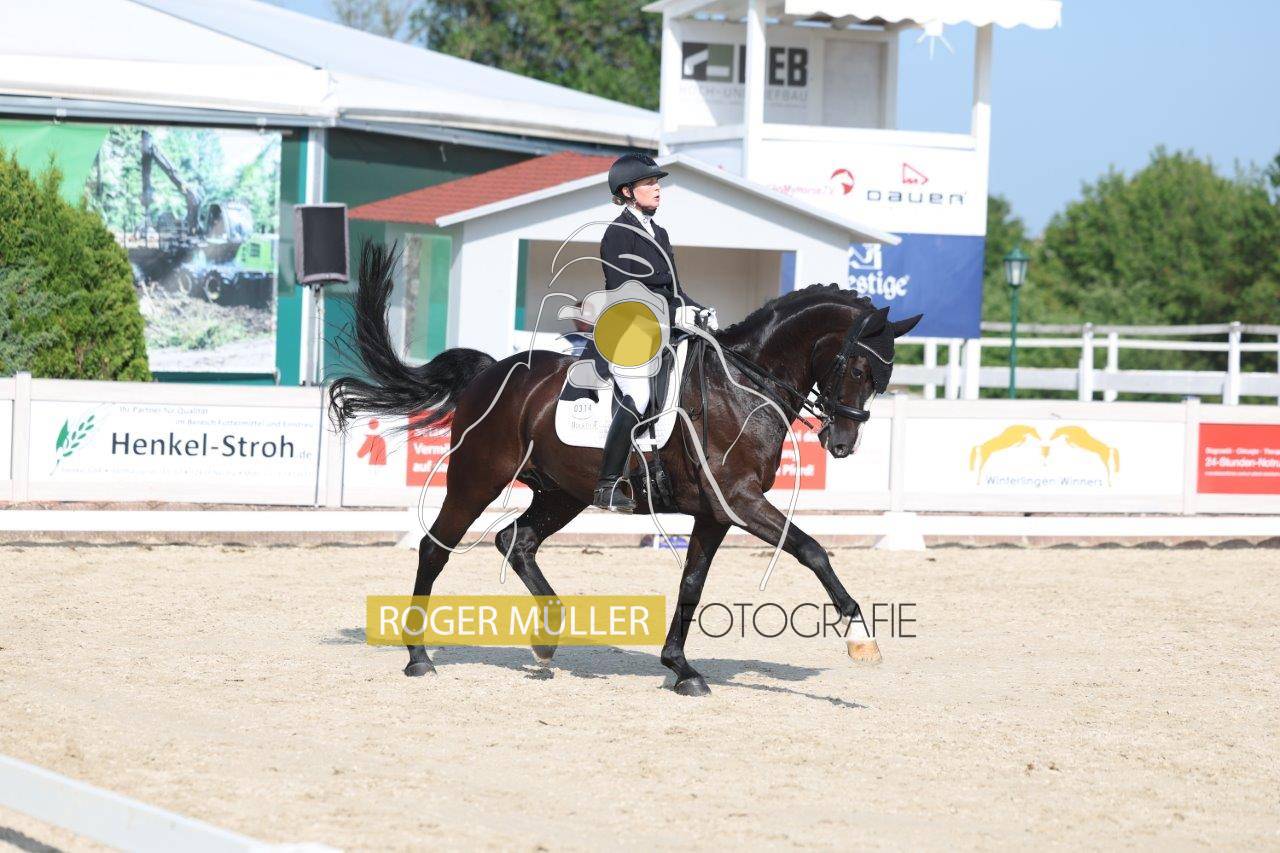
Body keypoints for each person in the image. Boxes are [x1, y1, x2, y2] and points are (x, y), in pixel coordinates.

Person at [592, 153, 713, 512]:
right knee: (640, 394)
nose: (657, 189)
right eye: (649, 183)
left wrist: (698, 310)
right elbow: (623, 290)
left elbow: (675, 289)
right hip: (627, 331)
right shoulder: (618, 233)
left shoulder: (659, 233)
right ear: (627, 191)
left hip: (662, 330)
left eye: (657, 183)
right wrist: (673, 313)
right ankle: (606, 484)